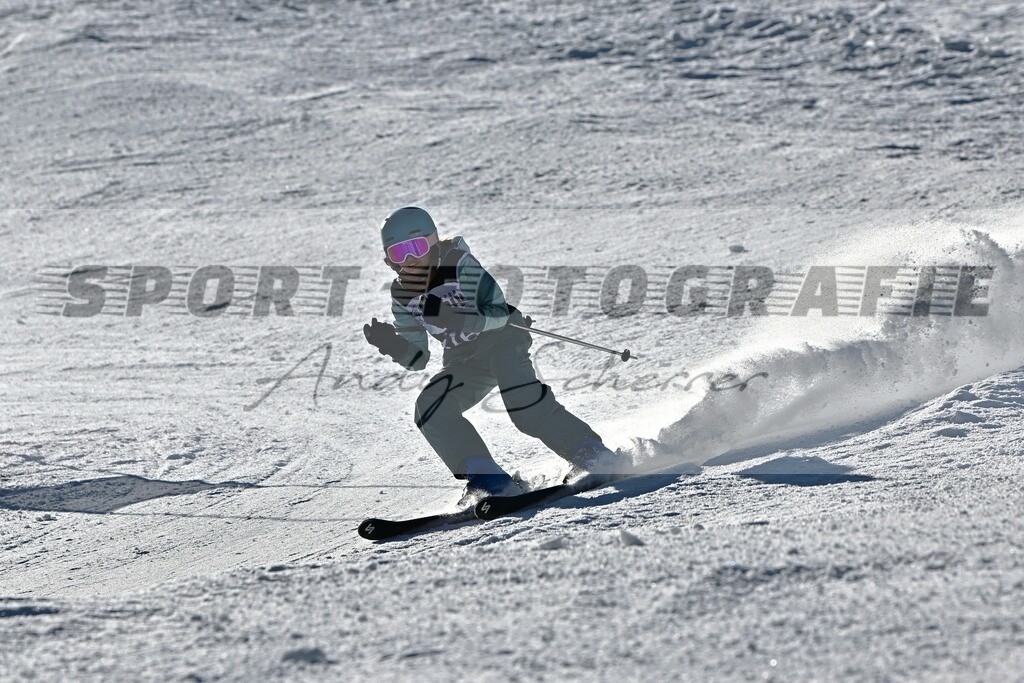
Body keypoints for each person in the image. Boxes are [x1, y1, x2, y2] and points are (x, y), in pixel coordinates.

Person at [363, 206, 618, 503]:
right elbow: (417, 359)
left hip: (503, 341)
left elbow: (498, 310)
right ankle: (488, 479)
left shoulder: (459, 264)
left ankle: (589, 453)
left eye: (416, 247)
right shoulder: (402, 294)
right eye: (398, 253)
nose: (409, 260)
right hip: (464, 360)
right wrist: (394, 346)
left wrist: (463, 319)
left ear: (433, 242)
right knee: (430, 407)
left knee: (524, 406)